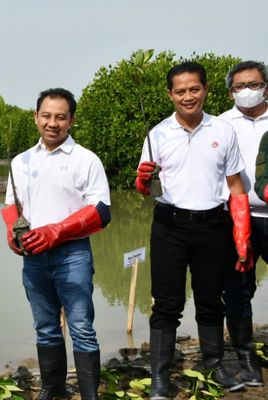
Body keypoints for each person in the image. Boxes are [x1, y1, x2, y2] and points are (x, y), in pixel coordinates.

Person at [135, 62, 251, 399]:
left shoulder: (223, 130)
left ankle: (212, 365)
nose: (188, 96)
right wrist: (142, 180)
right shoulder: (156, 135)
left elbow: (236, 187)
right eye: (181, 91)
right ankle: (159, 376)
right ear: (170, 95)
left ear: (206, 90)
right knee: (166, 304)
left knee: (211, 301)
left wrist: (241, 236)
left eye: (194, 89)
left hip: (214, 225)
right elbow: (147, 189)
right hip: (169, 225)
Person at [2, 88, 111, 400]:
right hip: (34, 255)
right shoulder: (19, 161)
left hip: (72, 254)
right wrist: (11, 232)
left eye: (60, 117)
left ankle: (90, 394)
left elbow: (102, 212)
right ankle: (52, 389)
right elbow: (13, 205)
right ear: (36, 117)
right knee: (45, 326)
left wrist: (57, 231)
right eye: (46, 116)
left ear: (71, 120)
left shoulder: (86, 160)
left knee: (81, 327)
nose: (53, 123)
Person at [218, 60, 268, 387]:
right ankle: (246, 358)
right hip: (234, 219)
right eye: (239, 87)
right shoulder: (220, 124)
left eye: (253, 84)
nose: (246, 91)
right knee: (236, 291)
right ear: (230, 91)